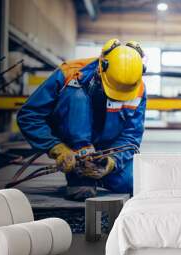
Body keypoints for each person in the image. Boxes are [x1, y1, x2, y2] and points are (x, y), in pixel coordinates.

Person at [17, 39, 147, 201]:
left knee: (132, 182)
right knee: (76, 95)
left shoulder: (136, 88)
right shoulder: (69, 74)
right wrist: (57, 149)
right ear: (101, 68)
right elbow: (29, 116)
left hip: (107, 149)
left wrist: (112, 162)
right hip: (72, 144)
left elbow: (131, 136)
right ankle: (80, 169)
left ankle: (94, 171)